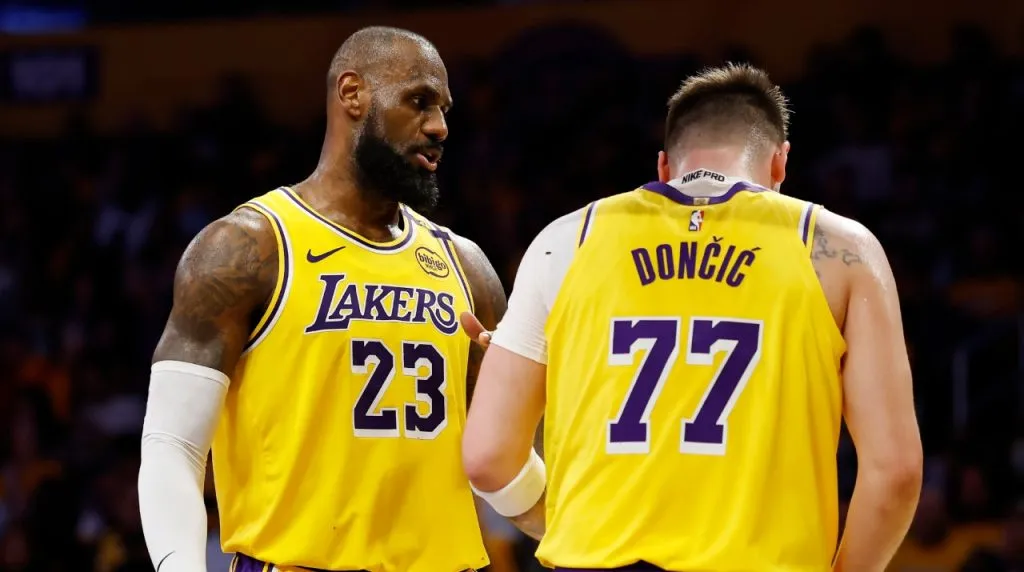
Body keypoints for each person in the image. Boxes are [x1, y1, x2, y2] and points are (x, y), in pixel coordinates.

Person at [461, 63, 923, 571]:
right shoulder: (838, 248)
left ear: (663, 167)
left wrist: (568, 523)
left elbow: (488, 458)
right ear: (779, 164)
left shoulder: (567, 239)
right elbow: (894, 471)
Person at [138, 26, 506, 572]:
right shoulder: (247, 247)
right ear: (352, 93)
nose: (439, 126)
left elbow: (510, 457)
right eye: (419, 101)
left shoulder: (467, 267)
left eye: (444, 109)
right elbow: (173, 444)